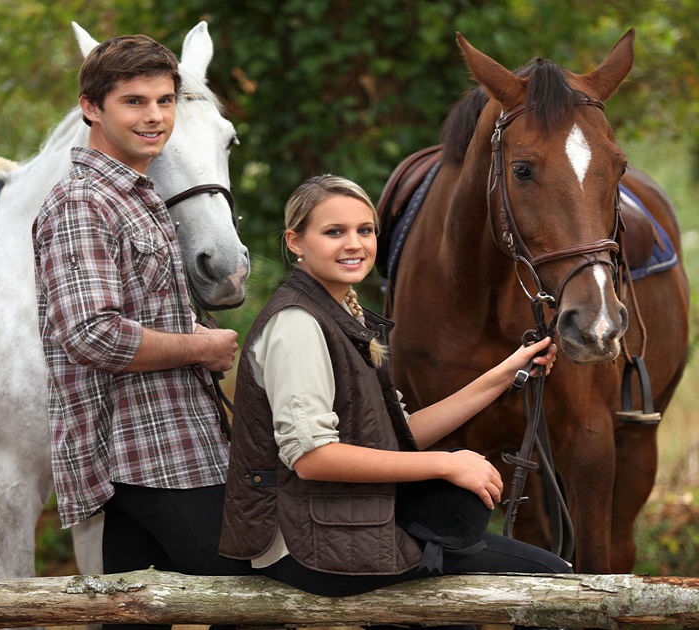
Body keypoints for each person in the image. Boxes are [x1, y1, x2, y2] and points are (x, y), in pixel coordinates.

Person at [219, 175, 572, 626]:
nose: (354, 244)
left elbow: (398, 435)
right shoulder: (297, 325)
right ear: (296, 241)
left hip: (348, 523)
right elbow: (311, 457)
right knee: (552, 583)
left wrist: (506, 373)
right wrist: (446, 464)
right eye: (334, 232)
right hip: (309, 541)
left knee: (542, 573)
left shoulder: (341, 313)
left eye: (365, 231)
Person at [33, 34, 254, 630]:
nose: (154, 116)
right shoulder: (83, 202)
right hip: (147, 454)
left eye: (163, 100)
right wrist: (200, 346)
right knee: (254, 599)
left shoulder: (139, 194)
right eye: (134, 101)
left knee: (132, 615)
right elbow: (92, 334)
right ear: (91, 108)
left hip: (167, 442)